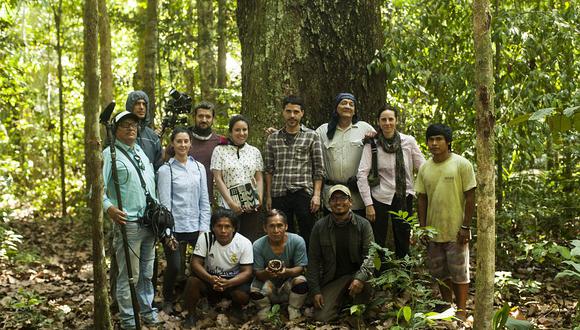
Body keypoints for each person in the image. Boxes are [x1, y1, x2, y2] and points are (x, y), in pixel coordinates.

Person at [103, 111, 161, 329]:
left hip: (149, 223)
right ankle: (128, 319)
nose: (131, 128)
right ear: (116, 130)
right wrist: (109, 208)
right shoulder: (110, 154)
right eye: (125, 125)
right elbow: (96, 190)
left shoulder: (141, 152)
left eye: (134, 125)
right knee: (130, 275)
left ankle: (147, 311)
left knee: (147, 272)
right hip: (128, 224)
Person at [414, 123, 476, 320]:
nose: (434, 143)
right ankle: (447, 309)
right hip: (434, 232)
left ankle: (462, 311)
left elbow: (470, 196)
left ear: (448, 142)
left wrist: (466, 226)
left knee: (460, 273)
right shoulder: (425, 167)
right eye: (431, 140)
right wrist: (423, 227)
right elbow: (421, 198)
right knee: (440, 274)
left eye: (439, 139)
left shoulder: (461, 164)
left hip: (457, 230)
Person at [357, 104, 425, 258]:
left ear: (396, 121)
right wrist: (368, 204)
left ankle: (403, 277)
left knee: (403, 239)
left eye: (390, 119)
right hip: (379, 197)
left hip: (404, 195)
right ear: (378, 122)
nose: (387, 123)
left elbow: (423, 168)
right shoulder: (372, 143)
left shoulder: (408, 141)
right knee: (378, 241)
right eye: (383, 120)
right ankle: (380, 277)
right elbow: (362, 174)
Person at [157, 127, 211, 314]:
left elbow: (204, 199)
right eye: (178, 141)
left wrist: (204, 227)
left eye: (186, 141)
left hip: (196, 226)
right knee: (174, 266)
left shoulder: (199, 167)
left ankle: (201, 297)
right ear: (173, 143)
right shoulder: (166, 170)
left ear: (190, 143)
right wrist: (168, 231)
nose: (182, 145)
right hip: (174, 227)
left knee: (202, 265)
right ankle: (168, 299)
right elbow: (165, 205)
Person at [307, 185, 375, 322]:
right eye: (334, 199)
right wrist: (315, 291)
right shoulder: (320, 227)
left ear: (351, 202)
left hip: (358, 276)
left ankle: (357, 304)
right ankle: (342, 301)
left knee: (364, 316)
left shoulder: (363, 225)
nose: (338, 202)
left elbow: (371, 256)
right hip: (334, 279)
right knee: (321, 318)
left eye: (343, 198)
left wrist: (360, 277)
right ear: (329, 203)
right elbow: (313, 262)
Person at [264, 95, 325, 247]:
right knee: (282, 234)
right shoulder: (273, 138)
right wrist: (269, 196)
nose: (292, 115)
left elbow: (319, 168)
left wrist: (316, 195)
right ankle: (287, 267)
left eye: (296, 112)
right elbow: (269, 169)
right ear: (283, 112)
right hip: (279, 193)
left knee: (308, 232)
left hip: (303, 193)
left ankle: (309, 267)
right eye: (288, 111)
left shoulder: (312, 136)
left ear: (302, 113)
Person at [182, 208, 253, 328]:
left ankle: (236, 307)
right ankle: (191, 315)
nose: (223, 230)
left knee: (242, 295)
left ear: (234, 228)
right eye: (219, 226)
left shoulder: (244, 243)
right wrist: (210, 278)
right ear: (213, 227)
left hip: (232, 282)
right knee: (192, 282)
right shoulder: (206, 238)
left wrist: (228, 283)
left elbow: (247, 272)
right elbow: (195, 263)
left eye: (227, 226)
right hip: (210, 279)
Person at [315, 92, 375, 216]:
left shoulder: (364, 128)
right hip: (332, 195)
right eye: (343, 103)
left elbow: (382, 144)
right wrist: (279, 133)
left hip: (356, 195)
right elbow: (306, 141)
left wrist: (372, 138)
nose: (347, 106)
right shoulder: (323, 130)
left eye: (351, 104)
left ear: (355, 111)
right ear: (336, 108)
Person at [211, 115, 264, 242]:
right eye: (237, 130)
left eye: (244, 130)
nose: (241, 133)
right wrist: (231, 204)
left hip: (251, 206)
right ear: (231, 132)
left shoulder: (254, 151)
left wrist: (259, 199)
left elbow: (259, 178)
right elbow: (218, 178)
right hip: (228, 206)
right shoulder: (219, 150)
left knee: (249, 241)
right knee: (229, 241)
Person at [251, 209, 308, 321]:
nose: (276, 230)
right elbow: (257, 273)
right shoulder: (257, 245)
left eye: (279, 225)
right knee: (254, 288)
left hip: (288, 286)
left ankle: (294, 308)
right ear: (265, 228)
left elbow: (300, 268)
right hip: (269, 287)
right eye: (271, 226)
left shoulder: (297, 241)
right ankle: (264, 308)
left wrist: (287, 272)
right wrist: (267, 272)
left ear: (286, 226)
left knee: (301, 281)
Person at [188, 101, 228, 204]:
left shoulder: (221, 142)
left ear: (213, 119)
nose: (204, 120)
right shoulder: (184, 140)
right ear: (194, 117)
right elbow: (167, 157)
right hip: (187, 199)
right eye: (200, 116)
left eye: (208, 116)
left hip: (212, 201)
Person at [126, 90, 163, 170]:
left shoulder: (152, 136)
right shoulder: (121, 132)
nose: (141, 107)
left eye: (144, 104)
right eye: (137, 104)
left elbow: (159, 166)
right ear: (130, 106)